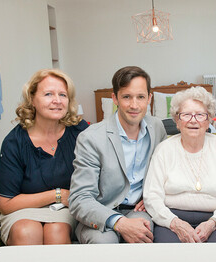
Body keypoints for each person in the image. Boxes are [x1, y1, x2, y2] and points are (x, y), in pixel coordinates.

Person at [69, 66, 167, 244]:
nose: (134, 105)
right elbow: (79, 198)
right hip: (101, 211)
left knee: (143, 236)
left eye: (141, 97)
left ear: (149, 99)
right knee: (105, 244)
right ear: (114, 98)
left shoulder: (157, 128)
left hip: (139, 209)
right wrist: (120, 223)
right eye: (126, 97)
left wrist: (153, 195)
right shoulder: (91, 137)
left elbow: (166, 172)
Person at [0, 69, 89, 245]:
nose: (57, 101)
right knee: (26, 231)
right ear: (32, 99)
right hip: (23, 210)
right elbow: (6, 203)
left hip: (65, 210)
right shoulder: (14, 142)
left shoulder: (80, 131)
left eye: (63, 94)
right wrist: (58, 194)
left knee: (56, 231)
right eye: (48, 94)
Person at [143, 86, 216, 243]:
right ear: (177, 121)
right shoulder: (164, 149)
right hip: (171, 219)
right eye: (186, 115)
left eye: (200, 115)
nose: (193, 120)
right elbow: (152, 196)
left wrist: (213, 223)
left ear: (208, 121)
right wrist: (175, 223)